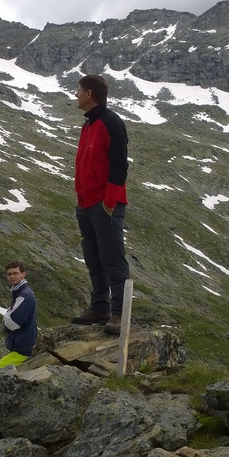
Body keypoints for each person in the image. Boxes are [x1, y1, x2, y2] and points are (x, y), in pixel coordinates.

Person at [70, 74, 130, 335]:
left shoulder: (110, 122)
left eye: (78, 90)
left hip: (105, 205)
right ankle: (99, 307)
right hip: (86, 204)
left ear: (89, 94)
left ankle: (120, 313)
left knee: (112, 258)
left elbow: (119, 166)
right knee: (93, 257)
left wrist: (109, 204)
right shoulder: (88, 124)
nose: (76, 94)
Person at [0, 261, 37, 369]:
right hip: (22, 347)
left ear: (23, 274)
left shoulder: (24, 295)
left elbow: (12, 323)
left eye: (15, 273)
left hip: (23, 349)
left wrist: (5, 319)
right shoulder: (21, 292)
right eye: (9, 274)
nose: (12, 276)